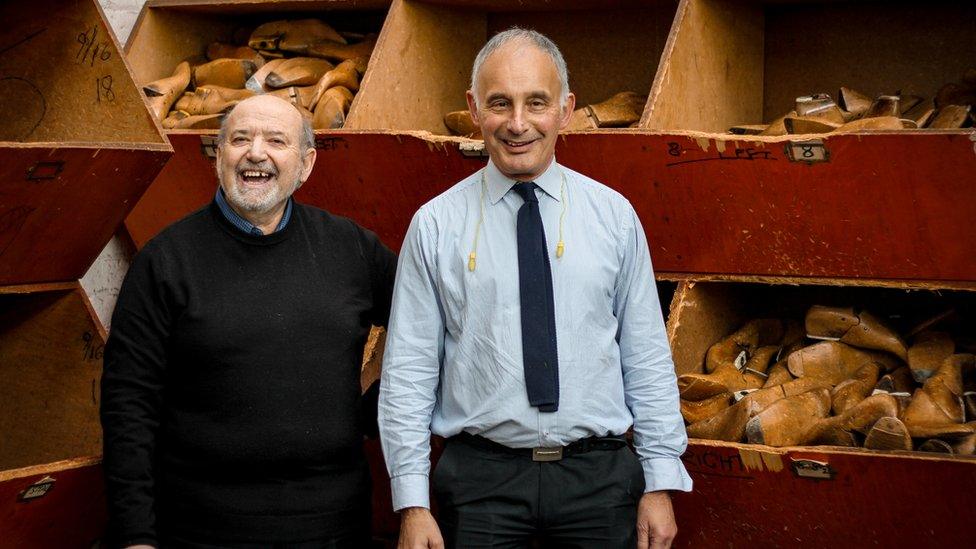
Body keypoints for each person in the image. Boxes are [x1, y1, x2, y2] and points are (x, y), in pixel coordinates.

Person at [378, 28, 692, 549]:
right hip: (480, 487)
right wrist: (412, 503)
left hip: (599, 482)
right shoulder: (434, 226)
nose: (518, 123)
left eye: (536, 103)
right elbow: (408, 371)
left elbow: (646, 355)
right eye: (499, 102)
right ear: (474, 109)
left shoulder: (613, 217)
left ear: (565, 110)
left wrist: (660, 480)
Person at [101, 95, 396, 548]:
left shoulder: (350, 248)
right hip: (202, 527)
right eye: (240, 139)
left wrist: (378, 406)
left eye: (276, 140)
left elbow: (426, 327)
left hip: (332, 524)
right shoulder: (166, 261)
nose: (255, 152)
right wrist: (136, 535)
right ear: (219, 157)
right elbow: (128, 405)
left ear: (306, 163)